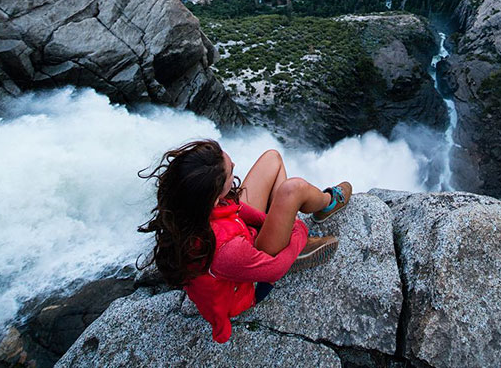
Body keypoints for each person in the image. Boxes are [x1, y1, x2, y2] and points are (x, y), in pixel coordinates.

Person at [138, 140, 352, 343]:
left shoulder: (190, 205)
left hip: (240, 238)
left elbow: (236, 209)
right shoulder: (225, 250)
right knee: (293, 189)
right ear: (214, 197)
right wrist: (297, 229)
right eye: (231, 171)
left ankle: (286, 227)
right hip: (247, 288)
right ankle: (327, 202)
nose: (235, 166)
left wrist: (272, 222)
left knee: (272, 158)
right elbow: (275, 270)